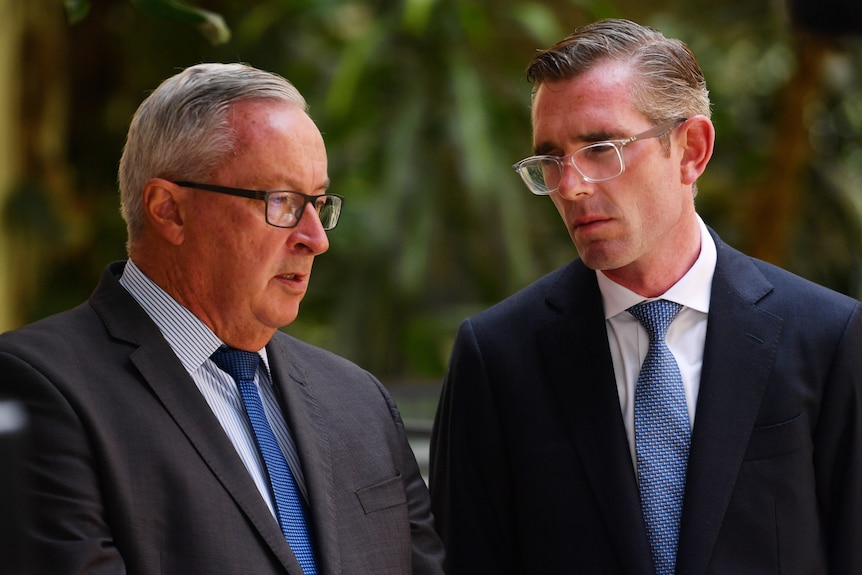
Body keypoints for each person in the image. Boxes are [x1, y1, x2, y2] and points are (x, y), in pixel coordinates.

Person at [429, 18, 862, 575]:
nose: (571, 185)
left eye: (600, 148)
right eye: (551, 160)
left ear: (691, 150)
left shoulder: (828, 337)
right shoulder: (498, 357)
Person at [0, 62, 445, 574]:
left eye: (318, 204)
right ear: (170, 210)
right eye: (281, 202)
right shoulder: (37, 387)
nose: (316, 239)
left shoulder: (358, 401)